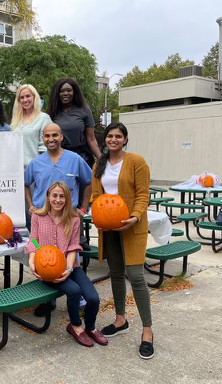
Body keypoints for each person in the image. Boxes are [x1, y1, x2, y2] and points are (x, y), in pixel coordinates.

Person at [91, 122, 154, 360]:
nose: (113, 140)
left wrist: (135, 216)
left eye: (118, 136)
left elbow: (142, 194)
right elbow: (96, 196)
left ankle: (147, 331)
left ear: (125, 139)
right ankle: (120, 319)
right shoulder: (100, 163)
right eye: (110, 136)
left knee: (136, 276)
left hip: (131, 226)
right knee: (116, 273)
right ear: (105, 140)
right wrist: (96, 215)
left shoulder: (136, 161)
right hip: (108, 227)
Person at [25, 181, 107, 348]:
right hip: (46, 268)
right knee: (74, 291)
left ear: (67, 199)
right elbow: (34, 240)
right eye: (54, 195)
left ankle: (90, 327)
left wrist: (69, 269)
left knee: (93, 298)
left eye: (62, 196)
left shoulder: (73, 219)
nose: (58, 199)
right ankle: (75, 326)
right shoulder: (37, 217)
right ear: (48, 197)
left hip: (69, 265)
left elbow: (72, 247)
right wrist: (32, 262)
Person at [24, 122, 92, 316]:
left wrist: (82, 208)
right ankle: (48, 299)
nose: (51, 139)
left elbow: (88, 182)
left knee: (71, 255)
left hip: (67, 220)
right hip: (42, 220)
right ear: (42, 139)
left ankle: (78, 297)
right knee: (42, 256)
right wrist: (31, 205)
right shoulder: (36, 163)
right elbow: (25, 183)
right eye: (47, 136)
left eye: (55, 135)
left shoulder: (75, 159)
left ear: (61, 137)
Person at [47, 77, 101, 171]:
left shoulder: (84, 110)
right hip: (59, 158)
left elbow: (91, 139)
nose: (65, 93)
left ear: (74, 92)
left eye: (69, 90)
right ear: (57, 93)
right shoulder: (52, 113)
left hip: (82, 157)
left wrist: (101, 160)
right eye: (62, 91)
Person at [11, 84, 52, 168]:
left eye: (28, 96)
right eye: (22, 97)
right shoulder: (16, 120)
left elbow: (45, 147)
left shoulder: (43, 118)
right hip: (16, 170)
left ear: (34, 97)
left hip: (35, 169)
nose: (25, 100)